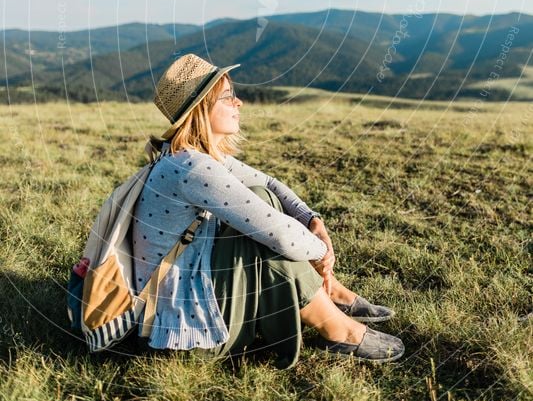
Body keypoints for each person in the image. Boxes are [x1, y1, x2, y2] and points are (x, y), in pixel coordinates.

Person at [132, 53, 405, 368]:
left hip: (183, 294)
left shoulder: (192, 156)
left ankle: (332, 298)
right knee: (259, 235)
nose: (239, 103)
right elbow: (281, 236)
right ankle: (337, 326)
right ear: (201, 110)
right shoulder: (192, 167)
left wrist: (312, 220)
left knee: (263, 199)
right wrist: (322, 253)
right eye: (228, 96)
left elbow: (270, 185)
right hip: (174, 330)